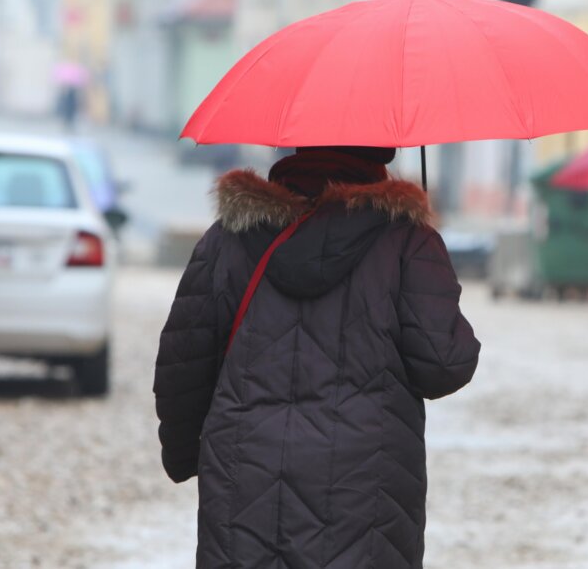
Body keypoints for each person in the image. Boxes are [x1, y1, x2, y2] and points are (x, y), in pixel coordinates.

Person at [154, 146, 481, 568]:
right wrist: (434, 274)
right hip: (366, 489)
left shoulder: (228, 238)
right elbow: (444, 365)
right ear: (379, 151)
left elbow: (184, 361)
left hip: (246, 479)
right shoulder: (407, 241)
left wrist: (183, 455)